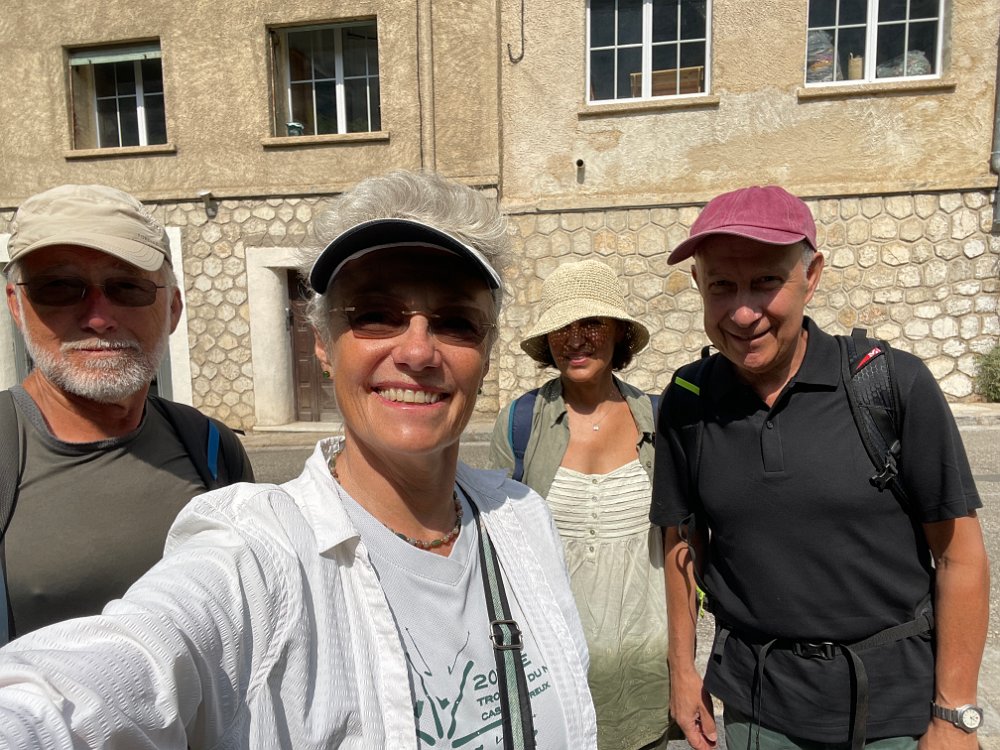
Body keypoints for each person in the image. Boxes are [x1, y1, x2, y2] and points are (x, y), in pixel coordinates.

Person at [0, 170, 597, 749]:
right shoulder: (258, 554)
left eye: (457, 323)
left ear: (486, 353)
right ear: (322, 345)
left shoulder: (523, 519)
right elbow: (100, 681)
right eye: (374, 315)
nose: (417, 351)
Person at [650, 185, 988, 750]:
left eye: (766, 281)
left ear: (811, 276)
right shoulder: (688, 400)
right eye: (721, 286)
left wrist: (954, 714)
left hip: (894, 719)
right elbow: (681, 542)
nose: (743, 313)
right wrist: (682, 671)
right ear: (698, 285)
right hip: (758, 715)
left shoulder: (892, 384)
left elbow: (960, 554)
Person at [0, 184, 253, 641]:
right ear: (17, 306)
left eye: (128, 287)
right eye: (58, 287)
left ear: (173, 308)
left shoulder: (212, 447)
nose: (98, 318)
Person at [490, 259, 673, 750]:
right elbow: (499, 552)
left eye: (590, 324)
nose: (575, 341)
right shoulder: (520, 423)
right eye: (561, 328)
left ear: (619, 333)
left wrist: (684, 666)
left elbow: (681, 549)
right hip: (553, 667)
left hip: (645, 666)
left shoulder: (659, 421)